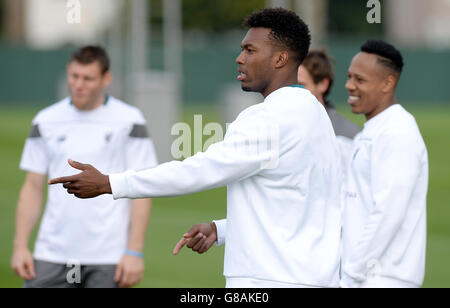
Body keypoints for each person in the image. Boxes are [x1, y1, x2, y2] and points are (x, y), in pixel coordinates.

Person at [50, 8, 343, 288]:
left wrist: (110, 183)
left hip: (267, 279)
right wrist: (222, 230)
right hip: (315, 277)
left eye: (250, 50)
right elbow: (301, 203)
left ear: (280, 58)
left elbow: (202, 169)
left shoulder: (267, 117)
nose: (240, 58)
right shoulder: (316, 114)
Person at [178, 50, 363, 256]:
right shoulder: (279, 130)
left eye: (302, 85)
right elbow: (282, 208)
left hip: (331, 264)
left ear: (323, 84)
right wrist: (219, 230)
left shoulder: (348, 138)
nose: (294, 92)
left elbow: (345, 210)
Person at [11, 46, 158, 288]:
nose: (79, 84)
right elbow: (32, 187)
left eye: (88, 78)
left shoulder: (130, 120)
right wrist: (19, 246)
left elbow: (139, 189)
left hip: (107, 256)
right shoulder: (45, 120)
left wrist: (134, 251)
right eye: (74, 76)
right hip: (51, 253)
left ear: (106, 79)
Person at [341, 40, 428, 288]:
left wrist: (350, 276)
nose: (349, 85)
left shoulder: (397, 132)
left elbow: (388, 213)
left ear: (388, 83)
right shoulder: (375, 130)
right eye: (349, 77)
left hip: (384, 279)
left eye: (360, 79)